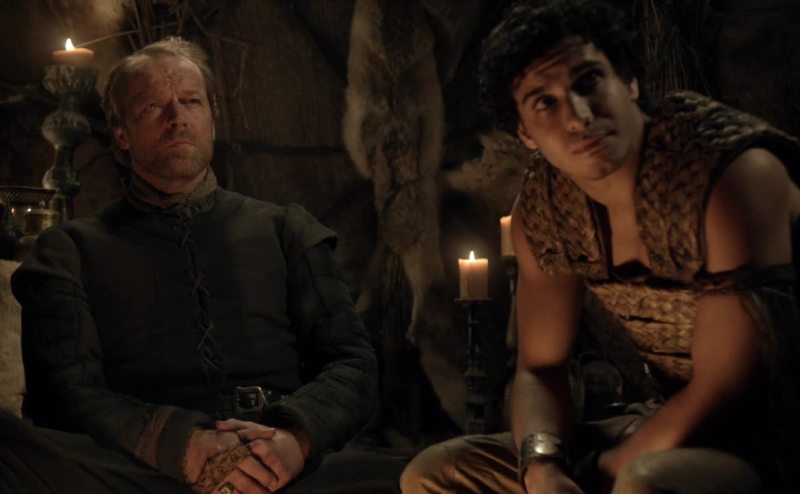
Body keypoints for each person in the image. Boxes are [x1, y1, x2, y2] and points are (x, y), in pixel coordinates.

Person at [401, 0, 800, 493]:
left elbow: (723, 388)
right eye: (545, 102)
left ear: (628, 82)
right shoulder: (546, 209)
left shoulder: (730, 174)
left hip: (771, 435)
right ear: (525, 133)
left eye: (589, 81)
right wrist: (543, 468)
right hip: (662, 424)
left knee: (644, 481)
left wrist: (597, 474)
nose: (579, 116)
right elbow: (540, 368)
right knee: (436, 472)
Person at [0, 37, 404, 494]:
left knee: (430, 473)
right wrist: (182, 445)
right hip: (140, 473)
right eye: (153, 106)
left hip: (281, 464)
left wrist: (294, 439)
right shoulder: (69, 250)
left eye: (191, 102)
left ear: (211, 117)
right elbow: (64, 392)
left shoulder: (285, 228)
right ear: (121, 133)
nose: (177, 118)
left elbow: (352, 363)